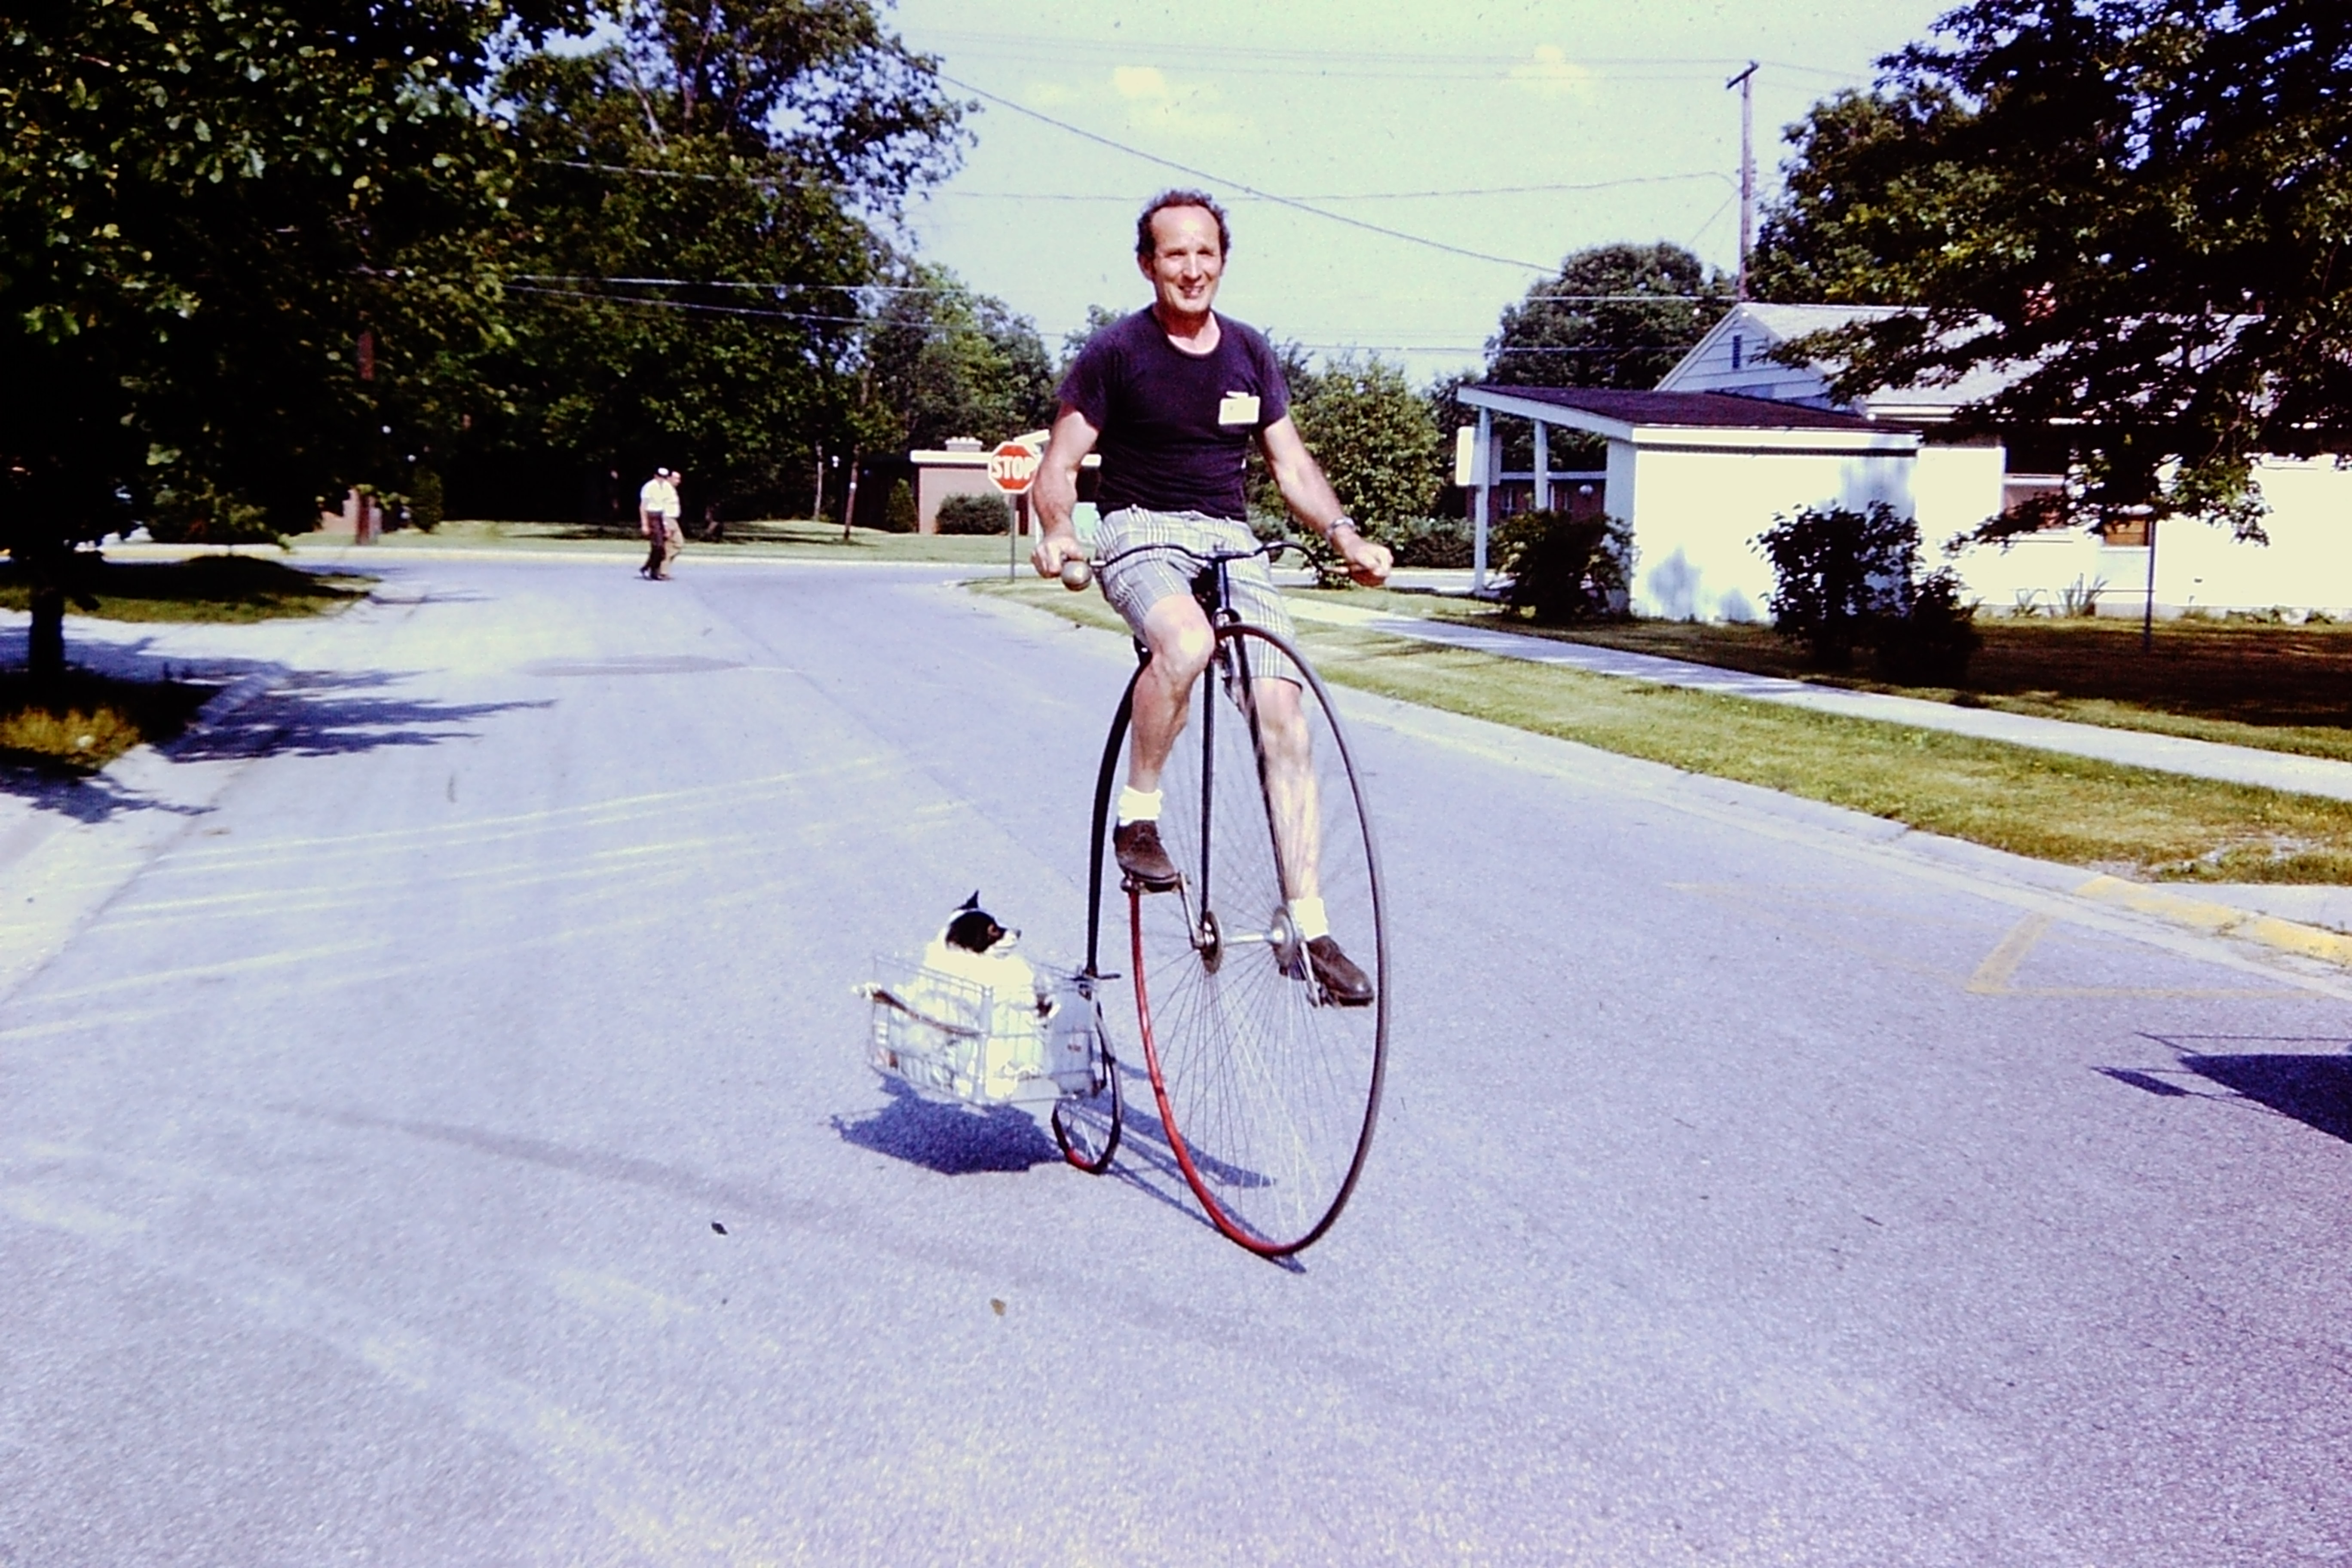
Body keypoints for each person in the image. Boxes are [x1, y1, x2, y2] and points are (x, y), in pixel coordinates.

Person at [1030, 190, 1392, 1006]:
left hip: (1231, 539)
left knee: (1281, 707)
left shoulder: (1250, 354)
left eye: (1205, 253)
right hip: (1138, 533)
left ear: (1221, 259)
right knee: (1186, 645)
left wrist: (1345, 535)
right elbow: (1058, 465)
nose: (1192, 269)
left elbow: (1291, 468)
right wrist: (1057, 528)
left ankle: (1309, 926)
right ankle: (1139, 815)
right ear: (1147, 265)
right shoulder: (1116, 353)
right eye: (1174, 254)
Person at [638, 466, 683, 579]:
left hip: (662, 517)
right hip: (652, 516)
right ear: (655, 476)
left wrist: (666, 526)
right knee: (658, 546)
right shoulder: (650, 487)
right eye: (660, 477)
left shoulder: (666, 488)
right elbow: (643, 507)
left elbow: (665, 508)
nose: (662, 479)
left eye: (664, 477)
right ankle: (654, 569)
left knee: (661, 547)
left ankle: (651, 569)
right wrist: (645, 524)